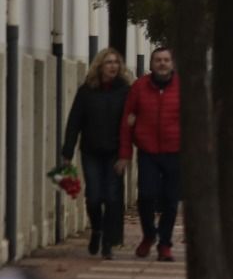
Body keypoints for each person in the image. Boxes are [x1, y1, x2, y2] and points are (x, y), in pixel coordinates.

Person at [61, 49, 131, 259]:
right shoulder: (86, 91)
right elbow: (75, 121)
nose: (113, 66)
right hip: (91, 151)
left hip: (114, 153)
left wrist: (125, 154)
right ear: (99, 66)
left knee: (111, 197)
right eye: (108, 63)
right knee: (93, 197)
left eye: (116, 63)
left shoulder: (125, 91)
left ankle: (108, 241)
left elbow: (129, 123)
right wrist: (68, 150)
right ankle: (97, 230)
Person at [116, 46, 181, 261]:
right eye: (158, 60)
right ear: (152, 64)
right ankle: (149, 235)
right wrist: (124, 154)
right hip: (148, 151)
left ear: (172, 64)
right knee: (146, 196)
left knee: (171, 201)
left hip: (175, 151)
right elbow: (127, 122)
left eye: (166, 60)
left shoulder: (182, 87)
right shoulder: (140, 87)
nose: (162, 63)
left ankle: (164, 244)